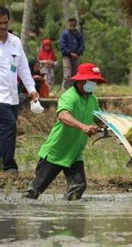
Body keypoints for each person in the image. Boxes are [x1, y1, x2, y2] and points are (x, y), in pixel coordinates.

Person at [22, 63, 106, 200]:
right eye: (92, 80)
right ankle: (23, 213)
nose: (94, 84)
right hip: (56, 151)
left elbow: (99, 119)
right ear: (81, 81)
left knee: (78, 186)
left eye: (96, 81)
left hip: (74, 153)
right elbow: (63, 116)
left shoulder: (93, 99)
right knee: (34, 191)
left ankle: (68, 217)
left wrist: (114, 127)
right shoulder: (69, 96)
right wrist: (84, 127)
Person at [0, 6, 39, 173]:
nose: (2, 26)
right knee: (10, 126)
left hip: (13, 97)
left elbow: (23, 69)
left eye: (5, 23)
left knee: (6, 128)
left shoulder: (15, 42)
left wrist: (31, 89)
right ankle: (9, 165)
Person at [60, 18, 84, 91]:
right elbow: (62, 46)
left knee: (75, 75)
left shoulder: (78, 34)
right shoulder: (64, 34)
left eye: (73, 24)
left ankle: (73, 90)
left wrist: (78, 53)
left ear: (76, 24)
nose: (72, 26)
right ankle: (64, 91)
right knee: (67, 75)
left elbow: (82, 44)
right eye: (70, 24)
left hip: (76, 56)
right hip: (67, 56)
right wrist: (70, 52)